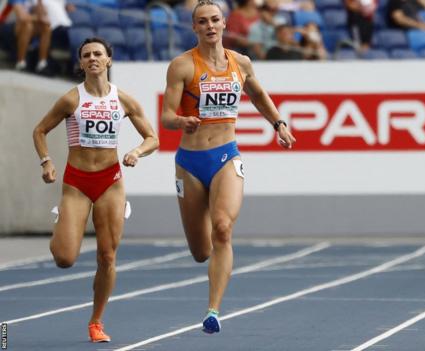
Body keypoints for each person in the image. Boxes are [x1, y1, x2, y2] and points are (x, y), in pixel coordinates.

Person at [160, 0, 296, 334]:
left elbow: (259, 95)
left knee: (222, 227)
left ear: (224, 24)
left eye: (215, 20)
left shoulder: (242, 63)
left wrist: (278, 123)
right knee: (200, 251)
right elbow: (165, 116)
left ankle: (213, 311)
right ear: (194, 28)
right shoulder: (182, 66)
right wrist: (182, 121)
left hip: (226, 155)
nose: (209, 26)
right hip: (190, 163)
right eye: (202, 21)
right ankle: (204, 245)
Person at [32, 37, 159, 342]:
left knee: (107, 256)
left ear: (108, 60)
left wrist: (136, 152)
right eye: (86, 55)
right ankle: (61, 223)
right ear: (80, 63)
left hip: (110, 182)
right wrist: (46, 162)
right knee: (64, 258)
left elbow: (152, 137)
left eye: (98, 54)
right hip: (76, 182)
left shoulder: (124, 100)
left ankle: (96, 322)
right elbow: (39, 130)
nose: (92, 58)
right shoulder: (70, 100)